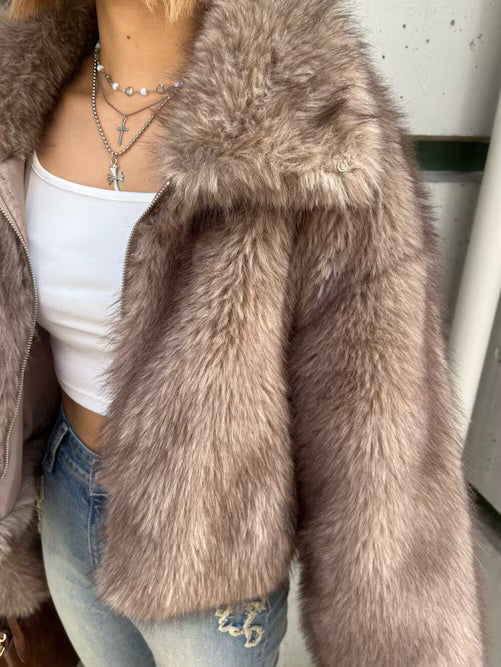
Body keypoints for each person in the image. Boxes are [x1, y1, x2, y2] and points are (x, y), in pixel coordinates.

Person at [0, 0, 487, 665]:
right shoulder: (23, 96)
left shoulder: (308, 112)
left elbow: (378, 422)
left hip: (212, 554)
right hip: (64, 499)